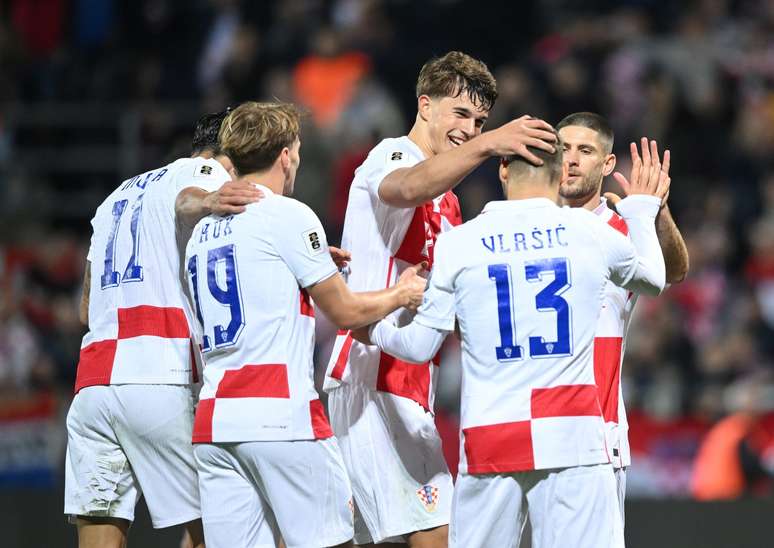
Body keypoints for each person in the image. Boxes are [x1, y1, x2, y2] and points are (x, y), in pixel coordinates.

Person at [356, 134, 668, 548]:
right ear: (559, 175)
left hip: (491, 435)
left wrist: (373, 328)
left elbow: (417, 347)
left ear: (503, 169)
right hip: (571, 433)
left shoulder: (458, 242)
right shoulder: (588, 231)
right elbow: (653, 278)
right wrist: (643, 210)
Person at [323, 50, 557, 547]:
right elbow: (403, 188)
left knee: (355, 536)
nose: (471, 129)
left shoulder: (449, 200)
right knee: (435, 529)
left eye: (480, 121)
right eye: (461, 113)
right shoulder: (391, 154)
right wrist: (492, 144)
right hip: (371, 369)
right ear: (425, 105)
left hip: (409, 376)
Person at [185, 101, 427, 548]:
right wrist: (402, 292)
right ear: (285, 155)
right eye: (295, 149)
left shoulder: (202, 232)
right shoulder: (289, 215)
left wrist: (306, 263)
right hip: (281, 414)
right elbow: (347, 313)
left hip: (215, 423)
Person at [64, 109, 262, 548]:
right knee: (224, 529)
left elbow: (84, 308)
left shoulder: (114, 196)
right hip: (160, 375)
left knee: (99, 538)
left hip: (93, 388)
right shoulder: (207, 172)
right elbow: (189, 198)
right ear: (227, 156)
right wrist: (210, 201)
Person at [556, 112, 690, 520]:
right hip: (528, 421)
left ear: (608, 164)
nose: (571, 160)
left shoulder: (624, 226)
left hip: (597, 428)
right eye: (563, 149)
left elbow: (674, 272)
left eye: (585, 150)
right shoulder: (532, 223)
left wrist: (653, 210)